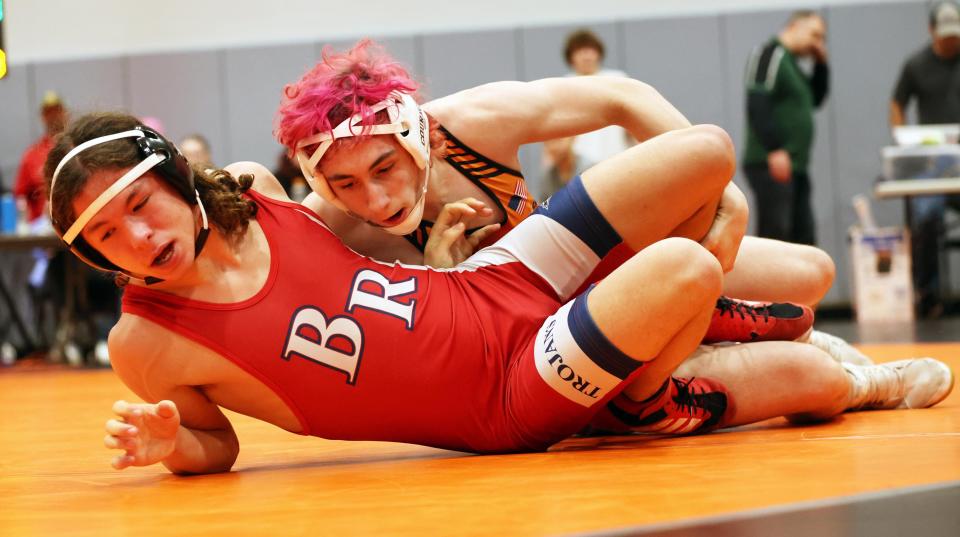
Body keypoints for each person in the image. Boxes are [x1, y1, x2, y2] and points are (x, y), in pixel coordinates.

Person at [46, 113, 951, 475]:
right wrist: (175, 446)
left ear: (173, 174)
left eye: (138, 206)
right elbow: (220, 443)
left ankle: (655, 365)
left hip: (494, 282)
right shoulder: (145, 341)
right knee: (708, 290)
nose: (138, 240)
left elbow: (371, 211)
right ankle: (645, 386)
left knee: (706, 151)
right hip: (507, 395)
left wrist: (718, 209)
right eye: (105, 239)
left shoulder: (254, 191)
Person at [273, 40, 834, 347]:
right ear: (321, 182)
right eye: (344, 184)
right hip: (531, 346)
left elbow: (623, 94)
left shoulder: (474, 121)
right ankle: (708, 330)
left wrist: (727, 194)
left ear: (421, 138)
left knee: (812, 273)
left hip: (591, 271)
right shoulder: (326, 223)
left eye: (384, 168)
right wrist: (437, 287)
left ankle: (710, 324)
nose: (373, 201)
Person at [890, 0, 960, 317]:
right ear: (932, 31)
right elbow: (897, 102)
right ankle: (928, 294)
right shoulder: (916, 64)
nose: (951, 40)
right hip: (934, 164)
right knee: (926, 215)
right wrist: (903, 140)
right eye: (945, 35)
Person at [743, 10, 829, 246]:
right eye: (814, 35)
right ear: (795, 26)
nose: (817, 43)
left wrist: (821, 64)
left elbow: (817, 98)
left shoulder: (793, 66)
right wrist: (775, 149)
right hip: (771, 163)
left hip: (796, 165)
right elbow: (757, 101)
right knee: (776, 237)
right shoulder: (769, 55)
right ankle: (765, 285)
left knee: (804, 238)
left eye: (821, 38)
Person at [562, 29, 635, 165]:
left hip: (618, 159)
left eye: (590, 50)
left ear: (598, 53)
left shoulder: (617, 80)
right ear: (571, 57)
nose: (586, 56)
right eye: (580, 51)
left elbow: (634, 122)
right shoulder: (563, 86)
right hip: (580, 166)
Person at [16, 91, 68, 224]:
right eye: (48, 112)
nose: (53, 116)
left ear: (64, 113)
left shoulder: (77, 148)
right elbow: (20, 196)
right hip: (43, 228)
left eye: (56, 111)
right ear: (43, 117)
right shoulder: (32, 155)